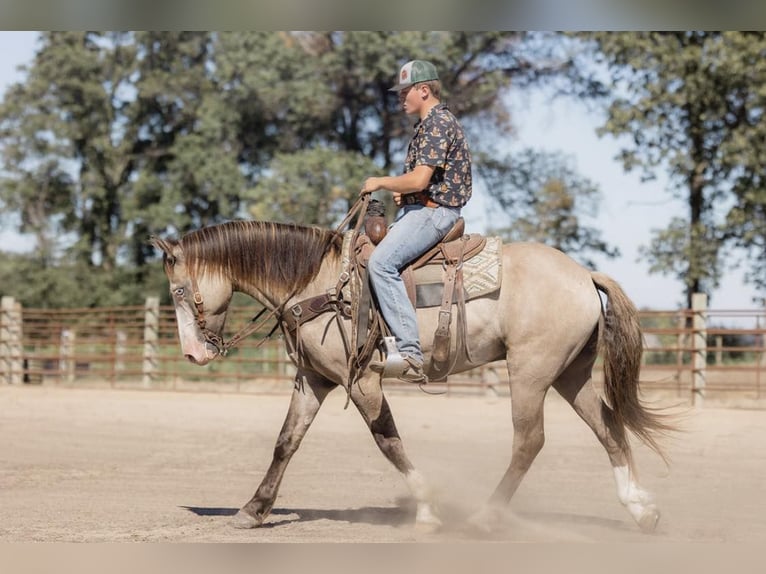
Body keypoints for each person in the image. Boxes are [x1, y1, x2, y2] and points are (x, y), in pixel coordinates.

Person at [360, 59, 473, 384]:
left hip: (435, 212)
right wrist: (404, 194)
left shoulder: (437, 124)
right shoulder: (429, 125)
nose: (400, 98)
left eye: (405, 91)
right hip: (422, 208)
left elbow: (421, 180)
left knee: (381, 264)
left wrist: (381, 182)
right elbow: (420, 182)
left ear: (424, 90)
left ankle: (410, 352)